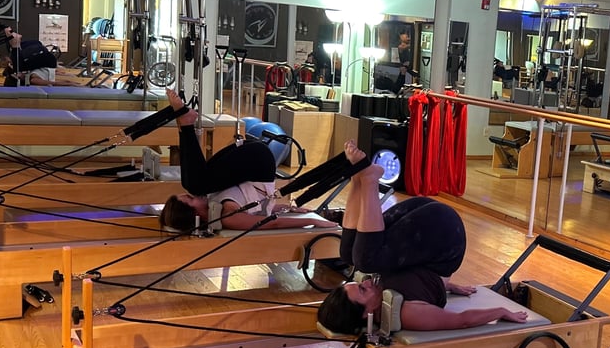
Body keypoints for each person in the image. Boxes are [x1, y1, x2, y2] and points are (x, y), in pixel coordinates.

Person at [317, 141, 529, 334]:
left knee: (348, 255)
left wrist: (447, 286)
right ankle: (369, 180)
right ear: (366, 314)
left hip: (424, 223)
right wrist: (500, 311)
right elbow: (462, 320)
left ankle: (357, 178)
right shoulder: (407, 314)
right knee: (365, 260)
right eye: (363, 290)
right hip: (445, 236)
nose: (369, 283)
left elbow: (414, 278)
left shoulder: (384, 296)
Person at [160, 88, 338, 232]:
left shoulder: (214, 205)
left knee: (193, 182)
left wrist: (287, 208)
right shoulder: (229, 218)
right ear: (195, 214)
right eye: (191, 199)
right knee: (195, 184)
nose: (196, 197)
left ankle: (184, 124)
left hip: (248, 159)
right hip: (258, 162)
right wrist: (313, 221)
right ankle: (185, 124)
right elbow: (271, 222)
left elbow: (257, 208)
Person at [3, 27, 77, 86]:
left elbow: (55, 75)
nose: (18, 75)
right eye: (18, 76)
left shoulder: (31, 73)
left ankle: (14, 43)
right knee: (19, 61)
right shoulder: (33, 78)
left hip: (40, 58)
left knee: (18, 62)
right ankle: (15, 43)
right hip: (45, 60)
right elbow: (55, 80)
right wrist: (69, 83)